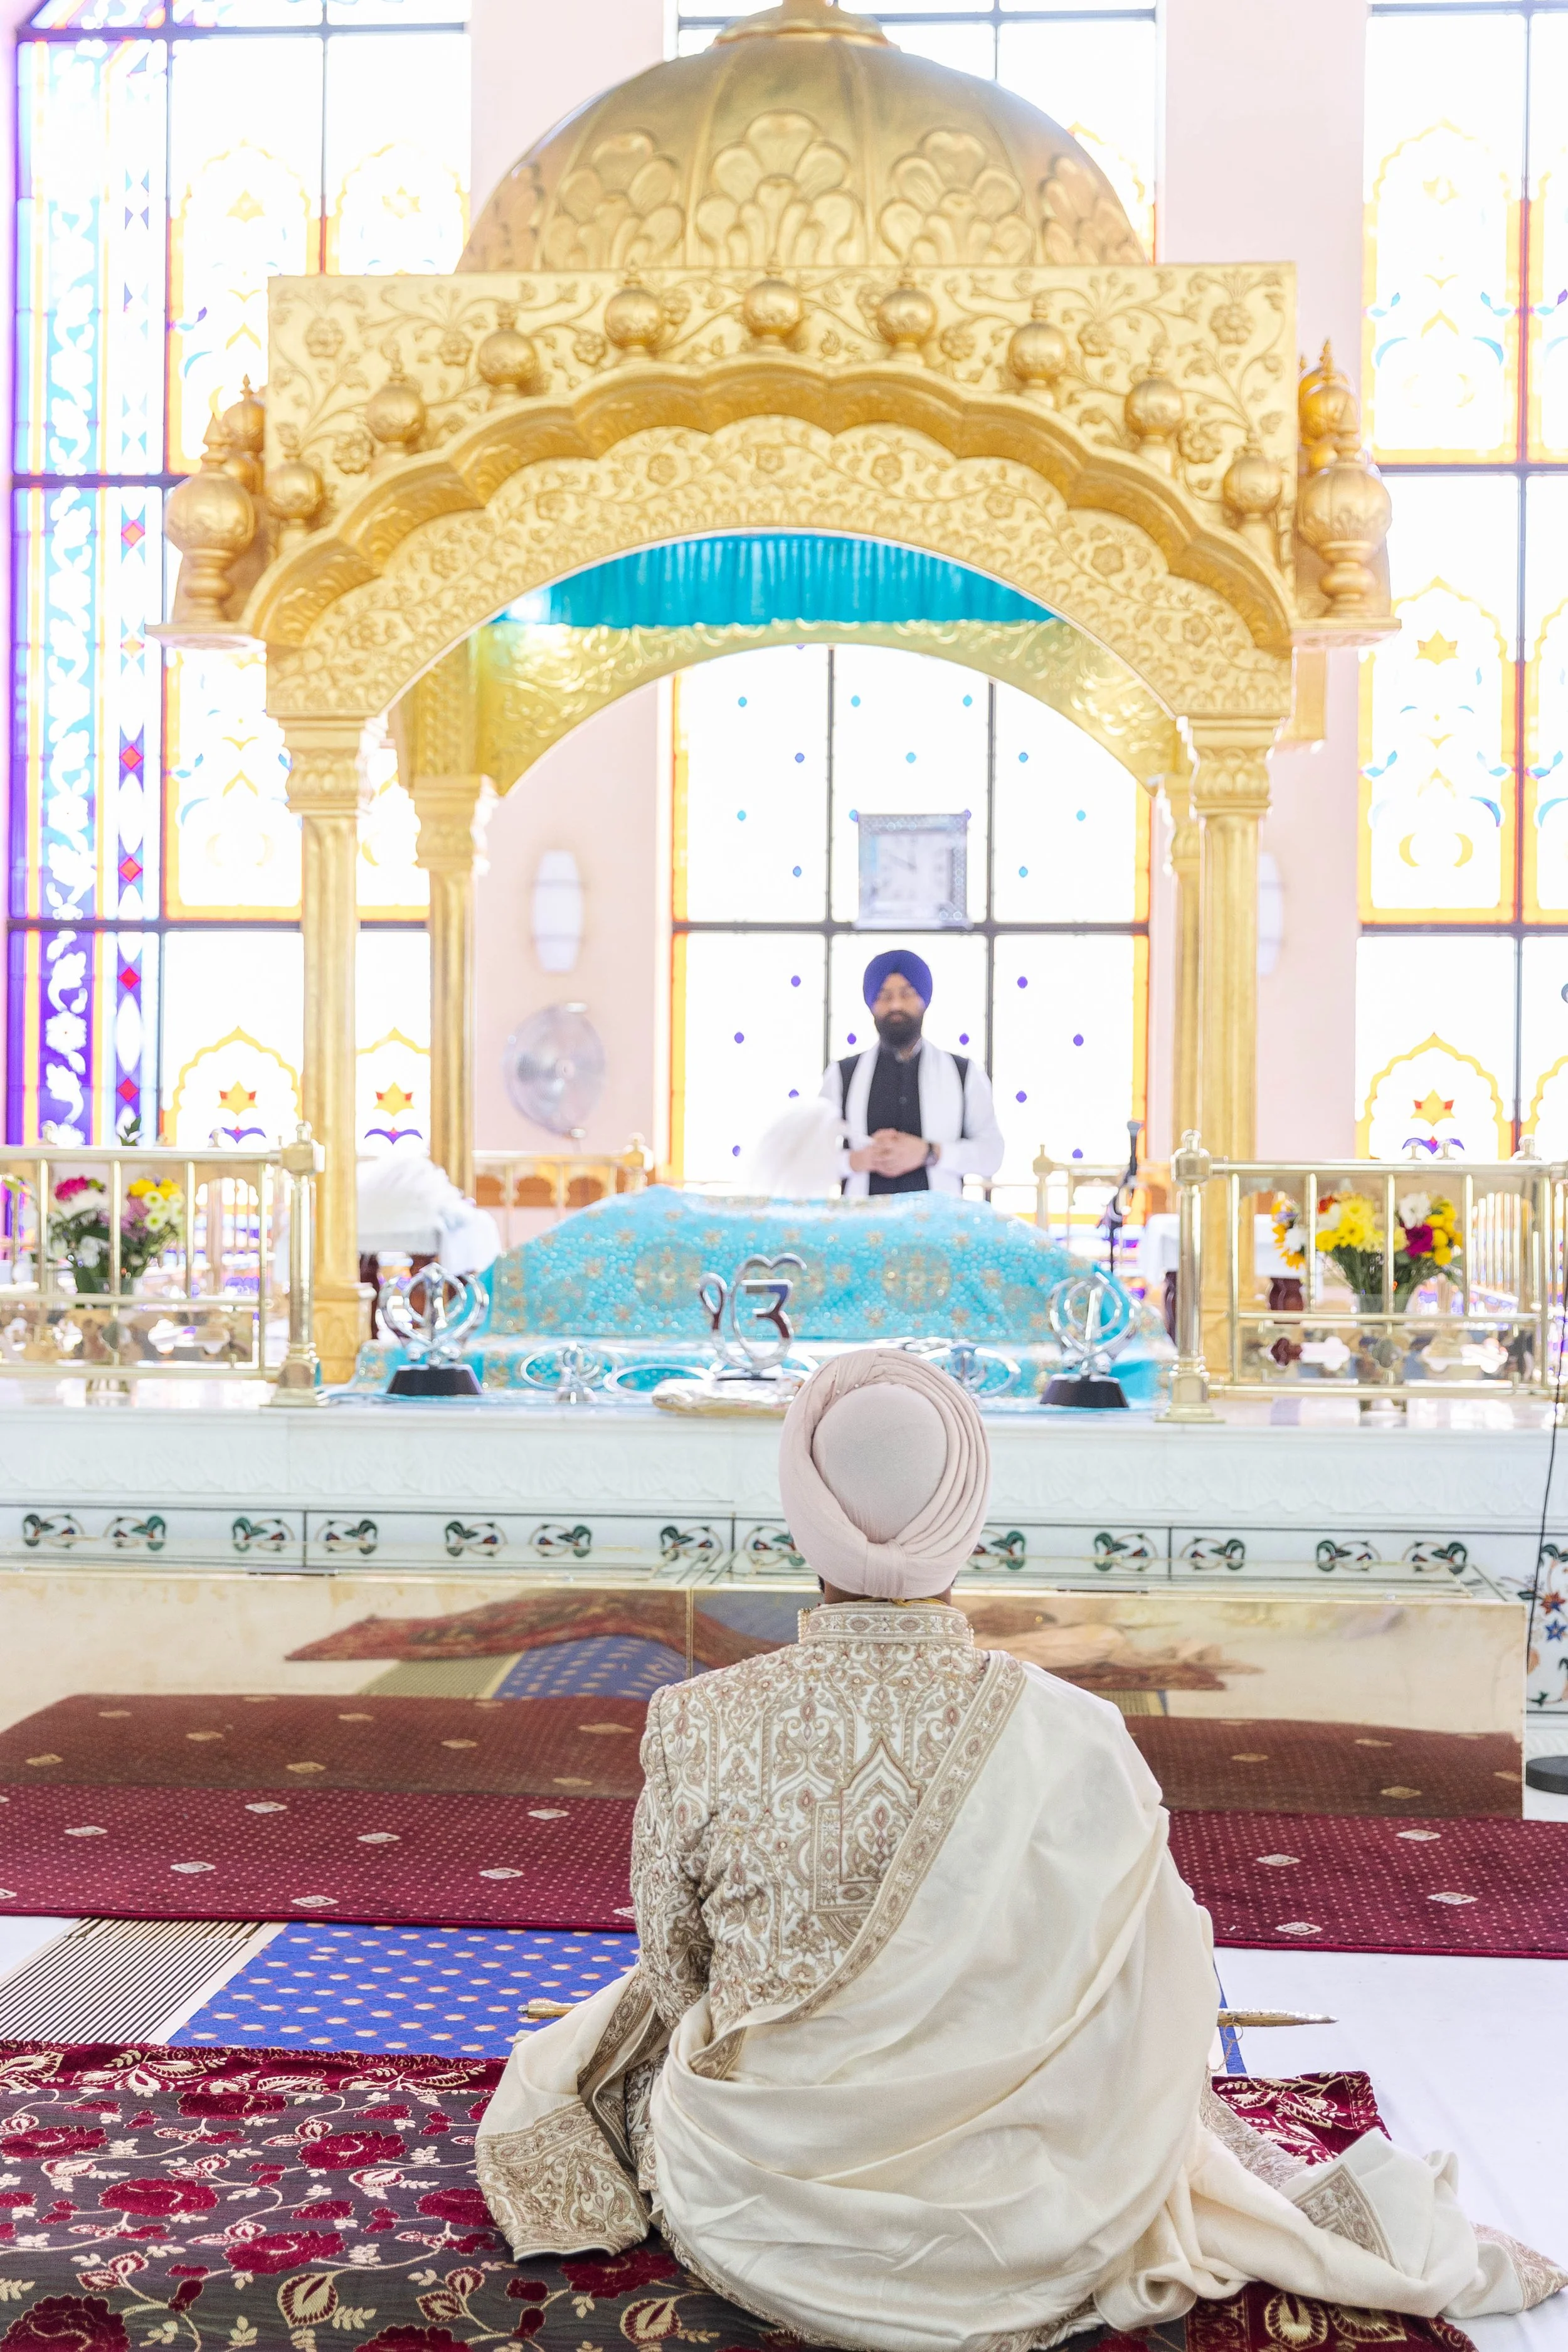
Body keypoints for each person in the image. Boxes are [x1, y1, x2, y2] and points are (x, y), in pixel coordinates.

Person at [475, 1350, 1562, 2352]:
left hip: (766, 2203)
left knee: (602, 2041)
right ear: (969, 1511)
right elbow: (1150, 1997)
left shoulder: (696, 1719)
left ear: (799, 1510)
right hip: (1044, 2216)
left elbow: (675, 1983)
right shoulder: (1076, 1731)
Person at [821, 948, 1004, 1197]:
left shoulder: (965, 1074)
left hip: (940, 1228)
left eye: (907, 994)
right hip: (861, 1226)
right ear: (872, 1005)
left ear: (924, 1001)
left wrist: (929, 1153)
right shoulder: (842, 1075)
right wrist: (857, 1160)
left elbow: (992, 1155)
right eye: (884, 996)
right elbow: (809, 1159)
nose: (896, 1005)